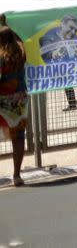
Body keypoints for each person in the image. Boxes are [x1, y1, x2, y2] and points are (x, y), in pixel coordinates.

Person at [0, 26, 28, 186]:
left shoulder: (1, 57)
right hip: (20, 100)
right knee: (18, 137)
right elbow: (20, 41)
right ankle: (17, 175)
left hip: (3, 101)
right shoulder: (21, 54)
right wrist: (9, 26)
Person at [38, 15, 77, 111]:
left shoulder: (73, 40)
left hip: (71, 68)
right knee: (67, 86)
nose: (73, 32)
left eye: (75, 30)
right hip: (57, 69)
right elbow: (46, 51)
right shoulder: (47, 38)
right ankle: (72, 104)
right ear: (62, 24)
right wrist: (54, 53)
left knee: (73, 85)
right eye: (71, 27)